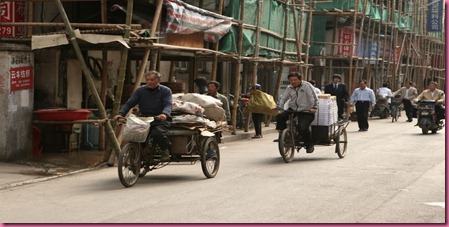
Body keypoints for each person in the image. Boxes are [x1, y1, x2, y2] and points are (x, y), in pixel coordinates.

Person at [114, 71, 172, 161]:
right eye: (147, 80)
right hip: (144, 118)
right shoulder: (140, 90)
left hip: (159, 119)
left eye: (152, 80)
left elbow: (168, 104)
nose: (149, 82)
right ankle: (138, 153)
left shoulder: (166, 91)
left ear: (159, 80)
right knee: (134, 133)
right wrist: (120, 114)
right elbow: (129, 103)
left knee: (158, 133)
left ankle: (165, 151)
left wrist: (164, 114)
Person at [275, 72, 318, 153]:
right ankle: (283, 134)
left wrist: (314, 107)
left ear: (300, 79)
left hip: (306, 111)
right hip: (293, 109)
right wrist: (279, 107)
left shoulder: (307, 86)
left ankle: (309, 144)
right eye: (291, 80)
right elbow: (283, 97)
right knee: (280, 116)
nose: (293, 82)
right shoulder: (289, 87)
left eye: (295, 80)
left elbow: (313, 97)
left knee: (302, 127)